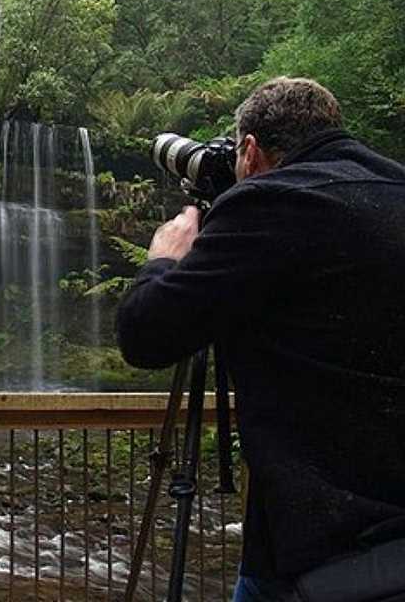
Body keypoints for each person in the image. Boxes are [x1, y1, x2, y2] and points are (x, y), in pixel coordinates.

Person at [116, 77, 405, 601]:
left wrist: (164, 257)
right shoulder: (392, 189)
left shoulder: (272, 203)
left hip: (321, 555)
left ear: (249, 150)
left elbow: (145, 334)